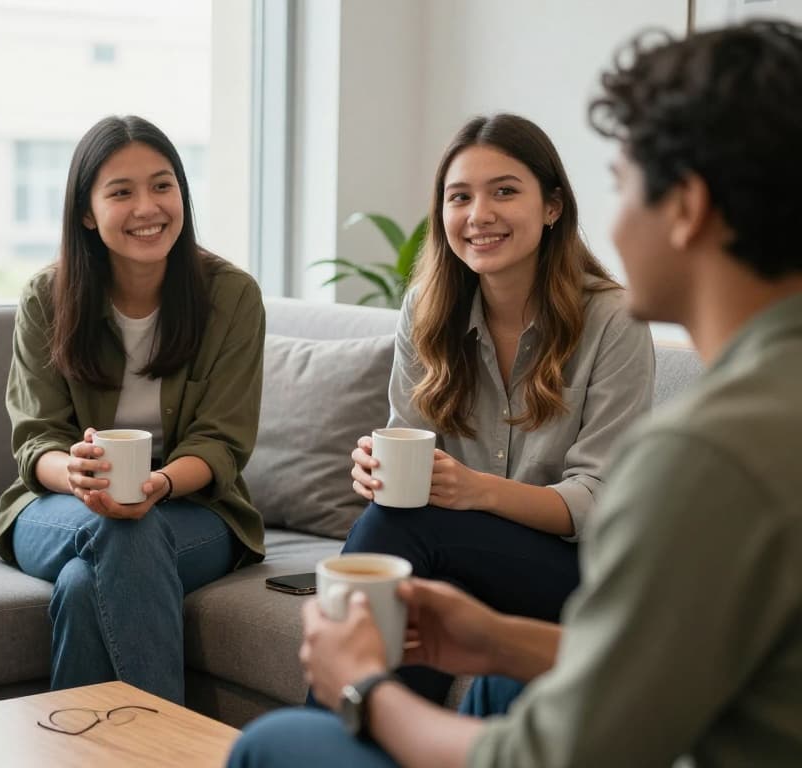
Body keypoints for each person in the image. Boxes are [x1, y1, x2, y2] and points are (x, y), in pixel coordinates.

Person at [229, 19, 802, 767]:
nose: (479, 215)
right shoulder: (763, 406)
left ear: (686, 207)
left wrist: (369, 689)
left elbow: (562, 751)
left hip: (561, 563)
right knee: (431, 584)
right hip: (484, 572)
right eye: (460, 197)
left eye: (621, 183)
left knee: (279, 744)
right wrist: (496, 639)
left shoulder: (704, 452)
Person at [340, 112, 654, 701]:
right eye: (459, 197)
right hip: (462, 555)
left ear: (553, 206)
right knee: (407, 553)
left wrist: (476, 490)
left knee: (405, 536)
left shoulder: (613, 319)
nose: (478, 215)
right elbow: (406, 439)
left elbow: (601, 498)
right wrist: (377, 472)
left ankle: (336, 735)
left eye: (504, 191)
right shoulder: (426, 312)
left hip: (578, 572)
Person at [0, 115, 265, 705]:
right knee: (119, 529)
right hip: (62, 505)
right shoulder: (47, 297)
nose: (148, 206)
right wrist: (79, 475)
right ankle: (171, 750)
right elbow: (36, 439)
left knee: (82, 581)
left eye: (162, 185)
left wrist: (157, 485)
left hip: (193, 506)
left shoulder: (231, 296)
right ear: (87, 212)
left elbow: (221, 443)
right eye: (122, 191)